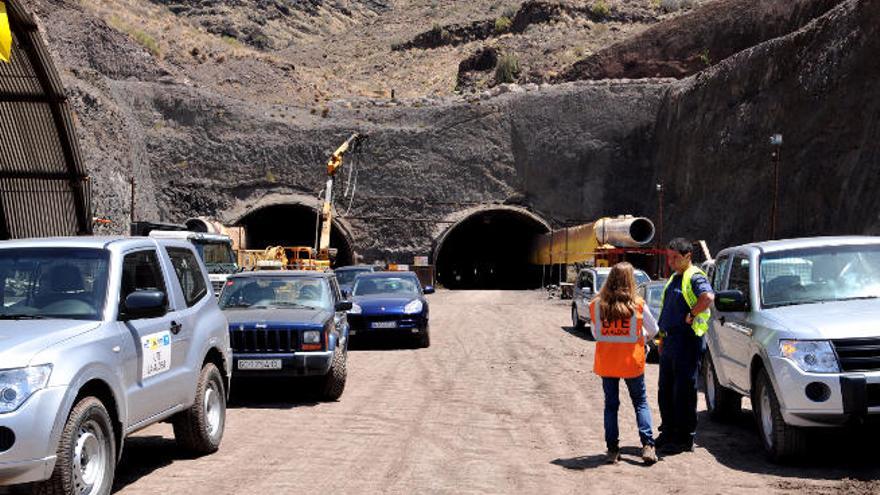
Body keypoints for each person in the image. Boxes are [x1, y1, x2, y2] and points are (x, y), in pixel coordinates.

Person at [589, 262, 659, 465]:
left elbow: (595, 333)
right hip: (632, 363)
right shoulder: (637, 304)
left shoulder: (596, 305)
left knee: (611, 406)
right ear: (631, 281)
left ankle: (612, 450)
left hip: (608, 363)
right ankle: (647, 445)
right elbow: (653, 329)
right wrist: (642, 337)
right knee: (640, 403)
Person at [656, 238, 715, 453]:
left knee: (683, 391)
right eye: (668, 257)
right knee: (666, 390)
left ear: (688, 257)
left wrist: (691, 314)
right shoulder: (675, 278)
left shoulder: (694, 276)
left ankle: (683, 438)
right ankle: (668, 432)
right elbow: (666, 312)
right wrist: (662, 338)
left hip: (686, 342)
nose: (670, 262)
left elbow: (707, 297)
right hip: (671, 342)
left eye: (675, 258)